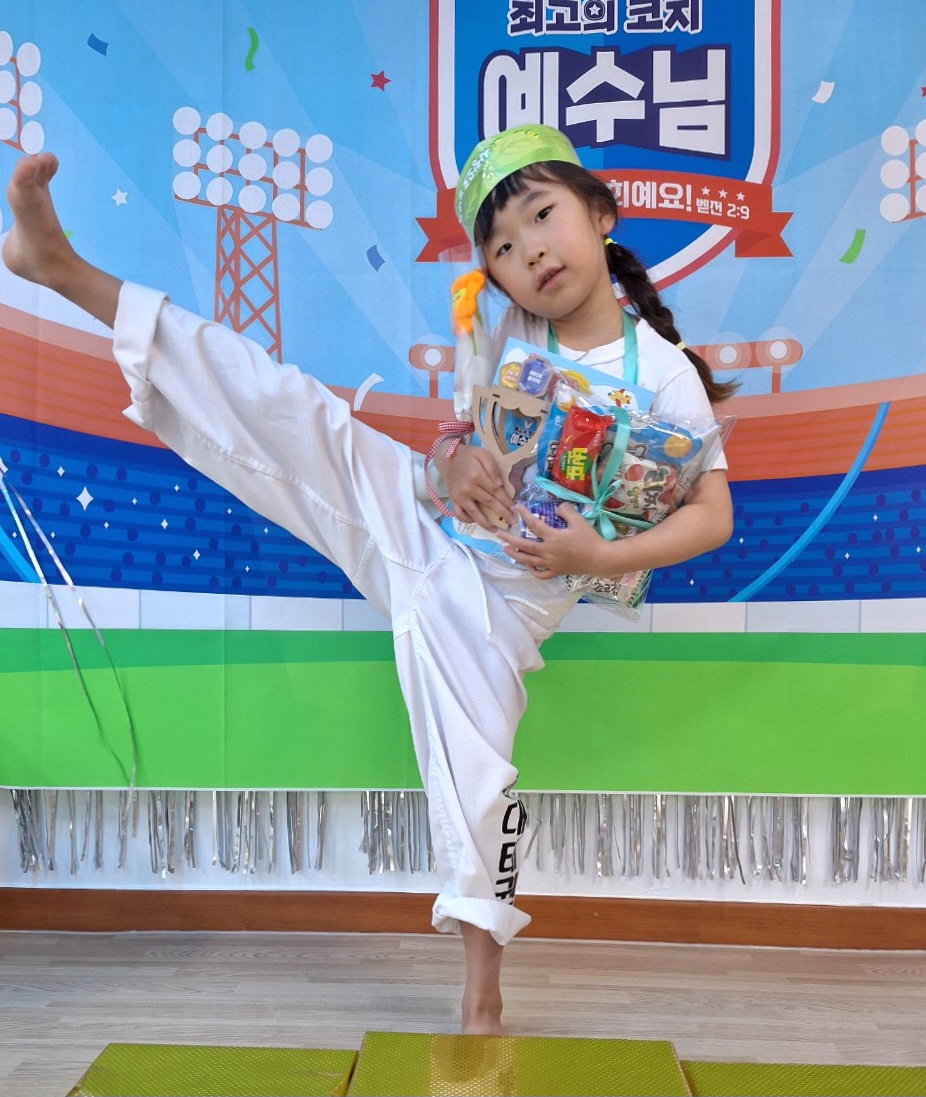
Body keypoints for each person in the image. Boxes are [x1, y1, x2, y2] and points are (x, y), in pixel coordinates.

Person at [2, 124, 733, 1036]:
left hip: (491, 608)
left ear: (599, 213)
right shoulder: (507, 331)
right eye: (504, 246)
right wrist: (450, 460)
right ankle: (62, 268)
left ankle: (481, 997)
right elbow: (461, 437)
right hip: (420, 524)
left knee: (476, 783)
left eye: (544, 217)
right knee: (284, 404)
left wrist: (599, 559)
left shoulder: (663, 374)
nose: (532, 251)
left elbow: (713, 515)